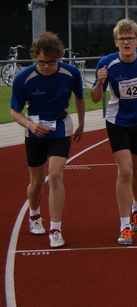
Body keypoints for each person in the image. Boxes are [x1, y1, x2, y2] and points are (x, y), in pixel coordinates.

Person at [91, 18, 137, 246]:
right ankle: (124, 225)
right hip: (117, 121)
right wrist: (99, 83)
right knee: (125, 171)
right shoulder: (106, 64)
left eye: (130, 38)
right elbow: (95, 98)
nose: (126, 42)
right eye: (122, 39)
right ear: (116, 42)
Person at [10, 31, 85, 249]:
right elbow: (15, 112)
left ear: (59, 58)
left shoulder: (70, 73)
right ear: (35, 58)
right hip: (34, 130)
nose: (46, 66)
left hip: (60, 129)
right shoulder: (23, 78)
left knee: (54, 177)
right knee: (36, 181)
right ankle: (34, 216)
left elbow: (80, 98)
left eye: (51, 62)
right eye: (42, 62)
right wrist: (31, 125)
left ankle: (55, 228)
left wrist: (81, 124)